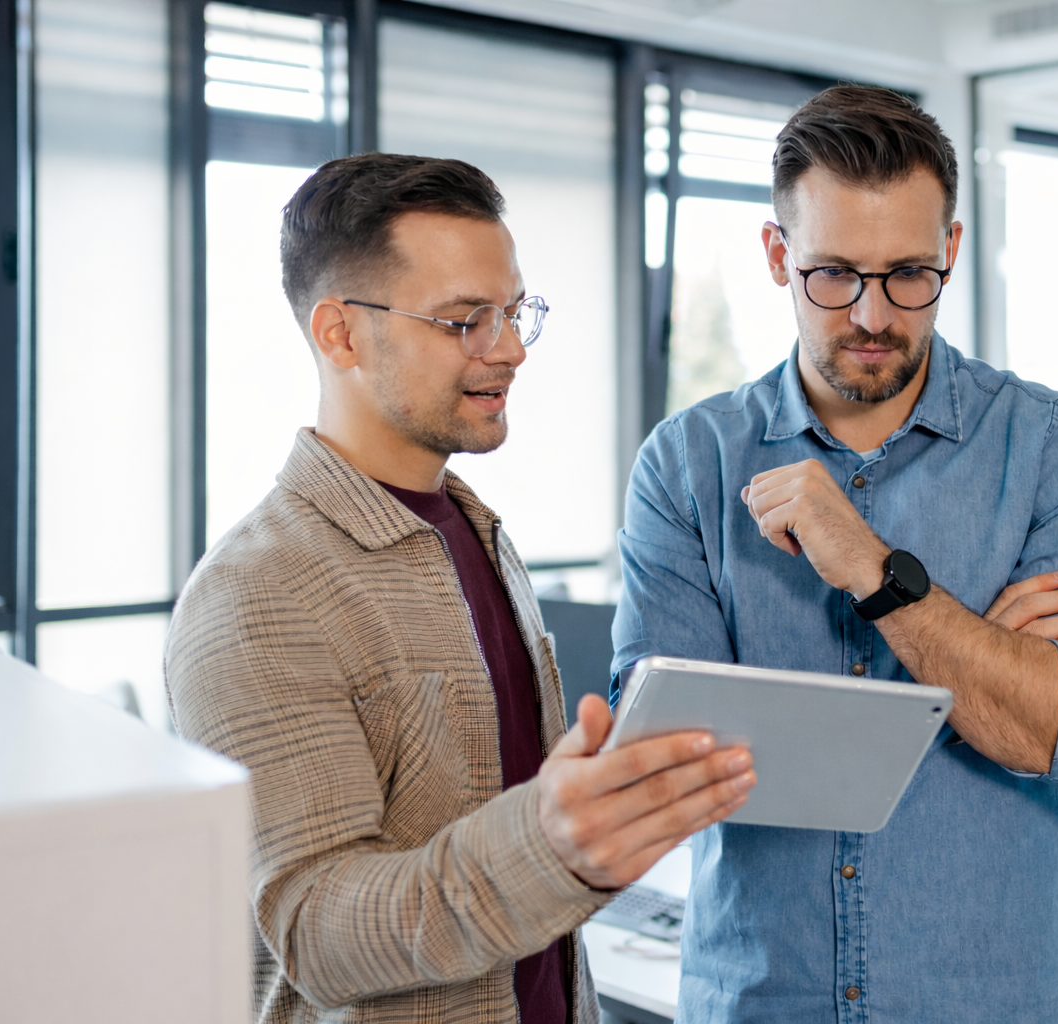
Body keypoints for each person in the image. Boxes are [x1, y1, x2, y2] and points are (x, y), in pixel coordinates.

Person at [164, 153, 757, 1024]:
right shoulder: (257, 597)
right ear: (341, 334)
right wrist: (553, 843)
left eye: (513, 313)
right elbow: (316, 933)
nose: (509, 349)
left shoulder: (476, 535)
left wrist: (591, 824)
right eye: (464, 320)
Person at [611, 86, 1058, 1022]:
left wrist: (880, 575)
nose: (872, 315)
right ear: (778, 256)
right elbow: (664, 766)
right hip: (760, 1001)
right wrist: (981, 671)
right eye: (833, 274)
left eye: (908, 273)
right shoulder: (687, 464)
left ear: (950, 251)